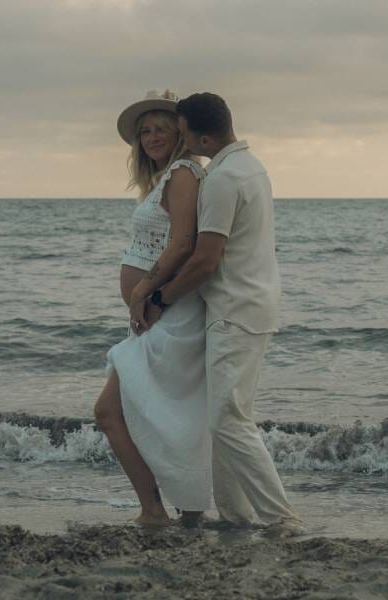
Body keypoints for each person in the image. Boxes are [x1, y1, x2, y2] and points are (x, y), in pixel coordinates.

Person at [138, 92, 304, 536]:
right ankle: (235, 516)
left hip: (235, 308)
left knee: (228, 420)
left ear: (202, 134)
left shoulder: (224, 178)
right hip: (251, 302)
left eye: (184, 131)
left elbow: (204, 260)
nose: (181, 140)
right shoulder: (251, 167)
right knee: (224, 417)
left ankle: (281, 517)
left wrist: (160, 298)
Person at [94, 90, 211, 527]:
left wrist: (144, 289)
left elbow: (184, 243)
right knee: (160, 415)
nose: (152, 137)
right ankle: (180, 511)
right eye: (145, 131)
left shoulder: (182, 174)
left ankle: (157, 511)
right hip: (155, 315)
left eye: (161, 128)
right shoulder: (164, 179)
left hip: (169, 312)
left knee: (111, 412)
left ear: (179, 133)